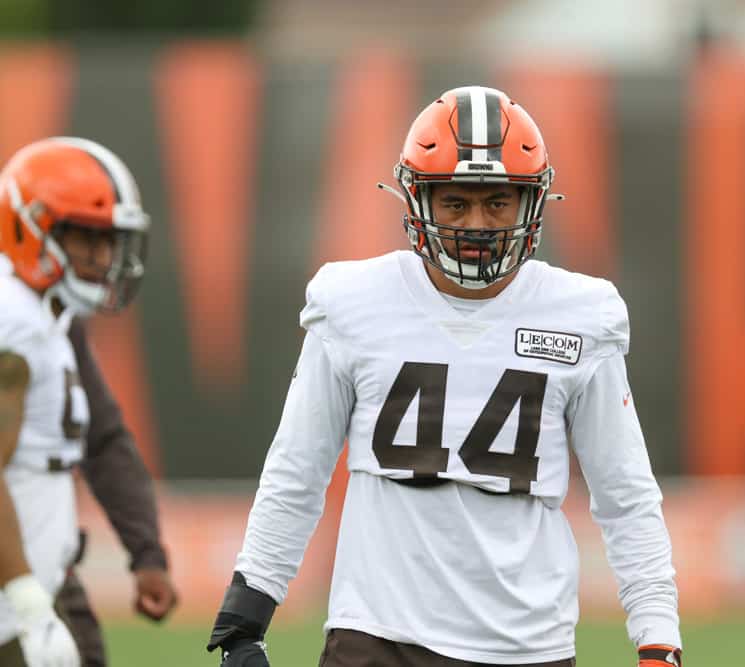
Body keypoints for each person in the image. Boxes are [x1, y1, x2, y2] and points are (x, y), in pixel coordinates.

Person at [207, 86, 682, 667]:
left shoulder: (581, 314)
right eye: (455, 203)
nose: (478, 224)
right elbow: (297, 469)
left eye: (497, 203)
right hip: (376, 635)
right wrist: (246, 613)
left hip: (526, 645)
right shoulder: (354, 302)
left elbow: (625, 496)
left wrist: (657, 636)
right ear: (418, 202)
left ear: (530, 204)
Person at [0, 137, 177, 667]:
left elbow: (103, 436)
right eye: (88, 240)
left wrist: (145, 549)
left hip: (40, 575)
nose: (104, 260)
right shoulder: (18, 326)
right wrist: (25, 596)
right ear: (31, 227)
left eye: (110, 243)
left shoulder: (46, 314)